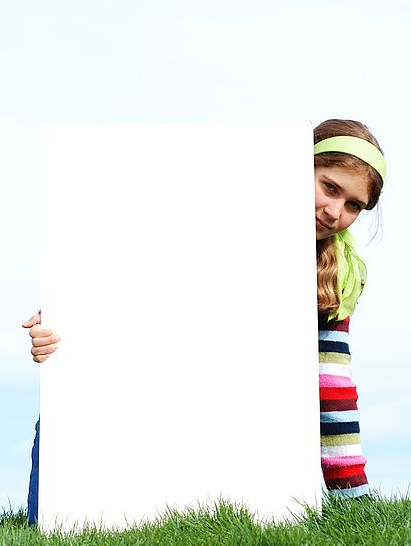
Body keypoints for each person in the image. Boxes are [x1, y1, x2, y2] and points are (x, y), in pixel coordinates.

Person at [22, 118, 385, 524]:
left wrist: (351, 496)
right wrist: (57, 329)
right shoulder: (207, 214)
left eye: (354, 204)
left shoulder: (338, 274)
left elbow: (331, 383)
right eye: (329, 187)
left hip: (225, 430)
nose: (335, 211)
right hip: (131, 405)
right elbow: (116, 290)